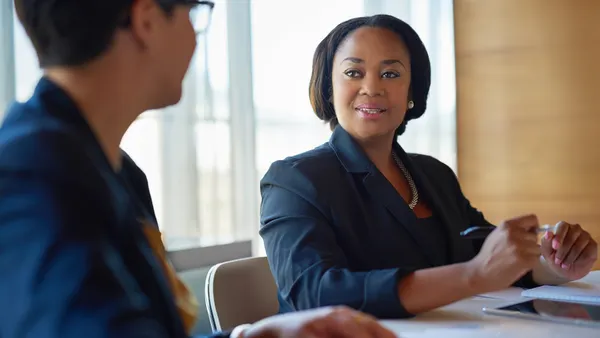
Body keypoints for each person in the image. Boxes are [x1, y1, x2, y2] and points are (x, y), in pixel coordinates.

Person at [0, 1, 397, 338]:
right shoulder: (32, 175)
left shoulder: (114, 171)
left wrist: (255, 335)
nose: (194, 37)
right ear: (147, 20)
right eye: (194, 12)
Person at [259, 14, 598, 319]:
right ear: (329, 89)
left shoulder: (433, 175)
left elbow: (488, 257)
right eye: (353, 72)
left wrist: (553, 266)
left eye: (390, 73)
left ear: (411, 93)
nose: (372, 87)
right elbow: (314, 294)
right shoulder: (293, 180)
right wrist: (473, 275)